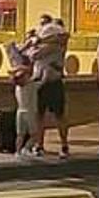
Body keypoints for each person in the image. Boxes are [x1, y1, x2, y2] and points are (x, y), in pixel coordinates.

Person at [32, 15, 70, 158]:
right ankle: (39, 144)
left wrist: (38, 41)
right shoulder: (47, 44)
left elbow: (34, 55)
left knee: (58, 116)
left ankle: (63, 144)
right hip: (41, 81)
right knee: (40, 115)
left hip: (52, 81)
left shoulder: (55, 45)